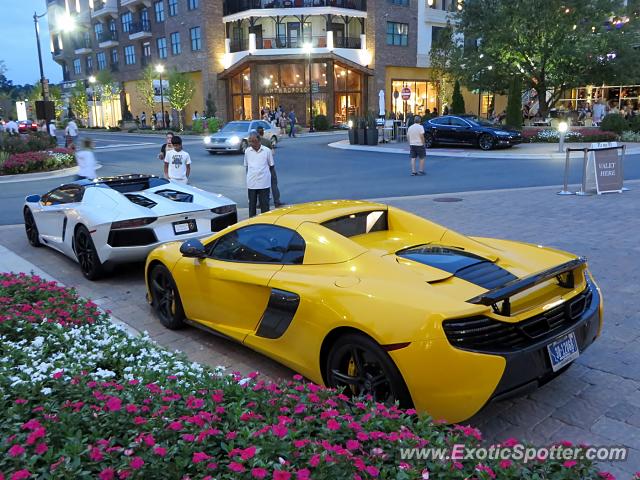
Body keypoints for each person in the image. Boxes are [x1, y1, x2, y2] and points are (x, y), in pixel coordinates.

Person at [244, 132, 274, 217]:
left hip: (264, 183)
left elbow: (271, 165)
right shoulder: (247, 151)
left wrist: (267, 176)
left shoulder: (267, 151)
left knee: (265, 206)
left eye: (254, 141)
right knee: (252, 206)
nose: (253, 144)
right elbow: (247, 166)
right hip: (252, 183)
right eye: (251, 142)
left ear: (259, 140)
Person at [257, 126, 284, 207]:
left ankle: (260, 202)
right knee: (273, 183)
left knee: (260, 184)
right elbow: (273, 153)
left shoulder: (254, 144)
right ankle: (277, 201)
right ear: (263, 132)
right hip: (268, 165)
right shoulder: (267, 142)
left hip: (259, 166)